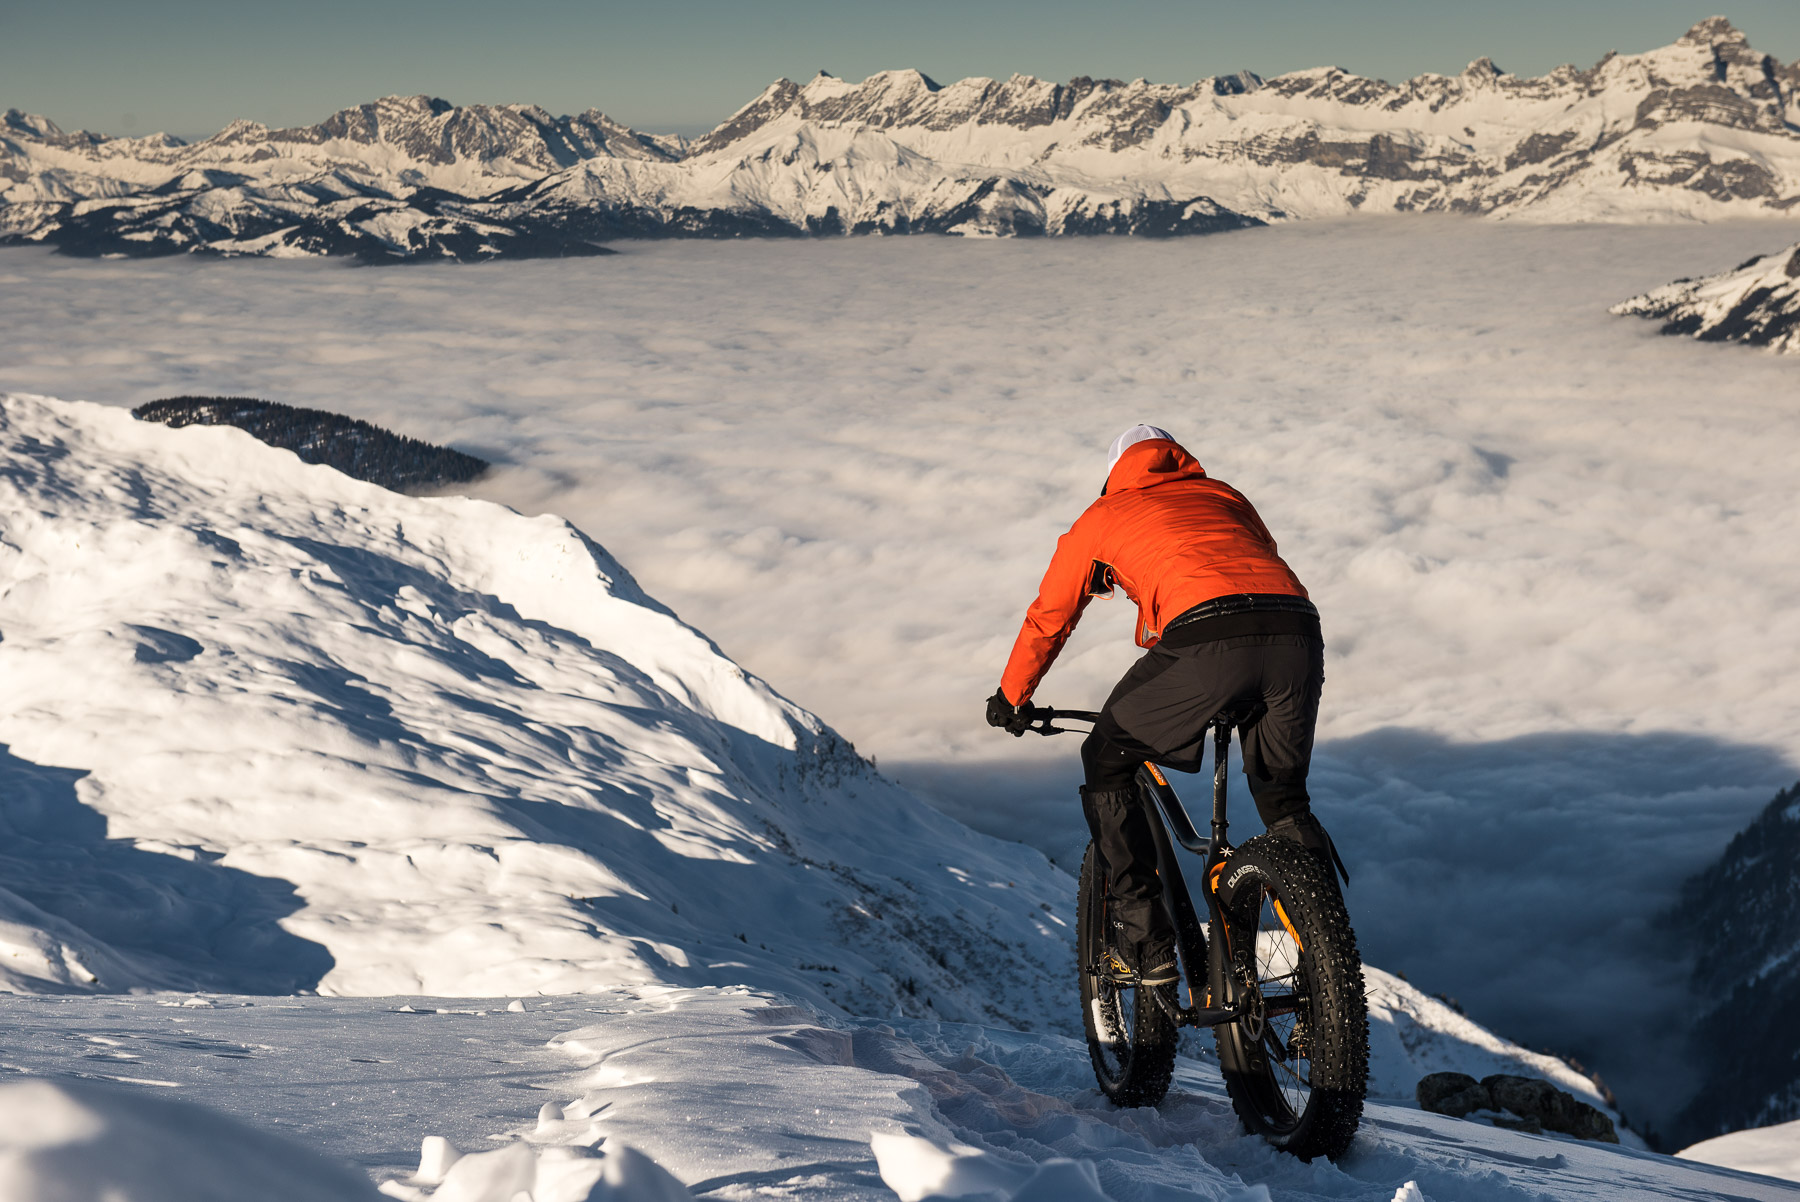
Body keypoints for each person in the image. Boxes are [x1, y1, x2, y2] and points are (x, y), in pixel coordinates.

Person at [985, 424, 1339, 986]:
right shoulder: (1225, 494)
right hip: (1297, 631)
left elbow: (1050, 616)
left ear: (1113, 474)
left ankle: (1145, 944)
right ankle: (1328, 970)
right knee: (1286, 804)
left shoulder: (1102, 516)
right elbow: (1255, 557)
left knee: (1106, 757)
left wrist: (1012, 697)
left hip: (1205, 643)